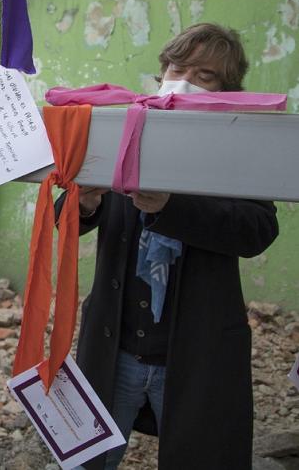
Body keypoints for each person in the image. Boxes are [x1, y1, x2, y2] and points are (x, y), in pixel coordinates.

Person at [64, 23, 280, 469]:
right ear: (162, 71)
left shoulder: (239, 146)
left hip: (193, 354)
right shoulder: (127, 129)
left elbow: (258, 230)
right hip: (115, 350)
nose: (183, 81)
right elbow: (71, 217)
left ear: (228, 90)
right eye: (177, 68)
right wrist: (81, 202)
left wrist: (171, 207)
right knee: (88, 460)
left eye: (205, 76)